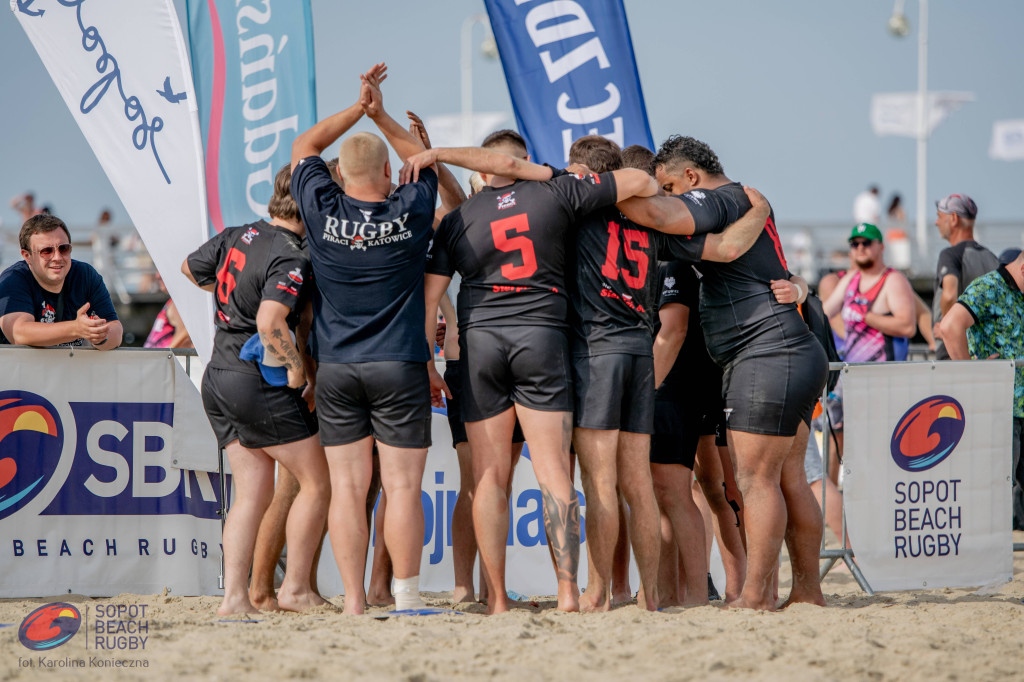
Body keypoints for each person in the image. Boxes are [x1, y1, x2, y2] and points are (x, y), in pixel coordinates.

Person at [408, 131, 676, 614]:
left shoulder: (460, 218)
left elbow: (429, 301)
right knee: (555, 474)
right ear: (523, 163)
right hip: (542, 336)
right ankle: (569, 593)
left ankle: (495, 599)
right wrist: (545, 174)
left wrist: (428, 363)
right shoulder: (555, 191)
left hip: (481, 342)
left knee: (489, 478)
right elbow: (639, 179)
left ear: (484, 169)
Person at [618, 135, 828, 611]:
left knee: (755, 481)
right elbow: (733, 251)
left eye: (668, 184)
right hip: (788, 350)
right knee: (788, 478)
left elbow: (655, 216)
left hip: (766, 352)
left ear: (690, 177)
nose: (665, 194)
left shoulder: (717, 198)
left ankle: (754, 596)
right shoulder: (744, 202)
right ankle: (807, 591)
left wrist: (607, 190)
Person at [564, 135, 769, 611]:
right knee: (644, 488)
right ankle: (651, 596)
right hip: (641, 354)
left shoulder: (577, 215)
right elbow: (724, 248)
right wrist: (758, 211)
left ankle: (601, 592)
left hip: (602, 354)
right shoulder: (658, 230)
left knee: (607, 486)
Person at [290, 63, 441, 615]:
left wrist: (359, 108)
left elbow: (306, 144)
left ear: (338, 176)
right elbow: (422, 160)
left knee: (347, 490)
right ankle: (405, 600)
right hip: (398, 362)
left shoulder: (320, 208)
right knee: (401, 488)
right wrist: (382, 115)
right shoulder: (412, 205)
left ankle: (353, 600)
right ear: (387, 169)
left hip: (336, 366)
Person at [183, 163, 329, 616]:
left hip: (217, 373)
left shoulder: (237, 234)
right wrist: (297, 373)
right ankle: (297, 590)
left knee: (250, 495)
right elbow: (269, 323)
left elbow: (189, 269)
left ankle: (234, 599)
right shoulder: (291, 253)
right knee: (318, 482)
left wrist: (236, 298)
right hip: (253, 377)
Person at [938, 250, 1024, 532]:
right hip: (999, 410)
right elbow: (950, 327)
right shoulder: (989, 286)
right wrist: (971, 376)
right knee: (993, 493)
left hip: (1015, 410)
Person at [0, 214, 123, 350]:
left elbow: (116, 330)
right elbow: (18, 334)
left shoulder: (86, 275)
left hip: (66, 369)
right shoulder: (13, 279)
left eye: (63, 248)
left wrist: (100, 337)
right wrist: (76, 329)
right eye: (47, 251)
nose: (57, 257)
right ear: (27, 256)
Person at [823, 224, 917, 363]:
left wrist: (865, 317)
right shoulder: (851, 278)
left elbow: (908, 327)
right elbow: (824, 313)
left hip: (884, 375)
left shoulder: (893, 280)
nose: (860, 248)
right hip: (854, 374)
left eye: (866, 243)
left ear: (881, 246)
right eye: (855, 244)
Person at [931, 194, 998, 360]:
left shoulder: (950, 255)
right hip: (984, 352)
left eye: (940, 217)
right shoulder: (991, 257)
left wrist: (946, 328)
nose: (936, 222)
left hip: (953, 353)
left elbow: (948, 295)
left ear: (954, 218)